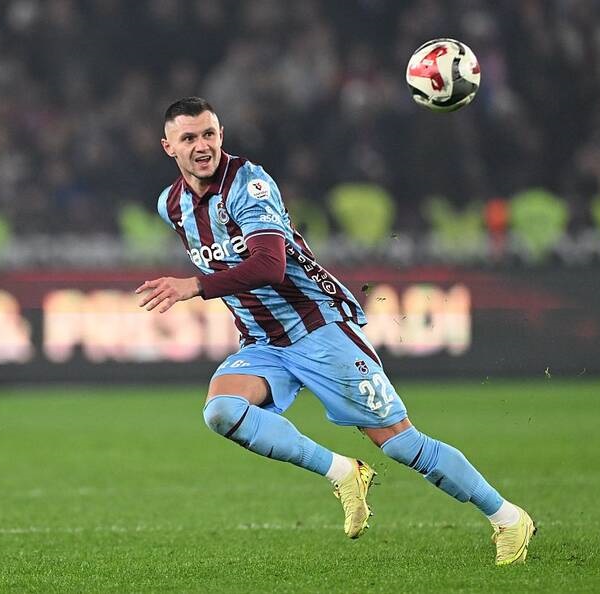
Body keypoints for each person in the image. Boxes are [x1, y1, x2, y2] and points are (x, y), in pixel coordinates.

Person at [136, 97, 536, 565]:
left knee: (400, 442)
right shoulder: (171, 205)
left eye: (209, 134)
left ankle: (507, 517)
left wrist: (196, 286)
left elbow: (269, 265)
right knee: (222, 411)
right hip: (264, 341)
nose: (202, 146)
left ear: (221, 134)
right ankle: (343, 472)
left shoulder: (249, 184)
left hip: (318, 326)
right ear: (168, 147)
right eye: (189, 138)